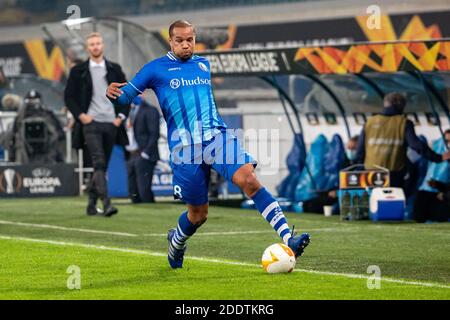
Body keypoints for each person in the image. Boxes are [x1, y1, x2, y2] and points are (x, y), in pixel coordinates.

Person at [106, 20, 310, 269]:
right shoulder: (154, 69)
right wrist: (115, 94)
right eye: (179, 40)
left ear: (194, 39)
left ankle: (289, 238)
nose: (185, 44)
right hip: (185, 150)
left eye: (189, 40)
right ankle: (177, 241)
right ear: (170, 41)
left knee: (250, 180)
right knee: (198, 214)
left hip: (217, 138)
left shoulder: (203, 64)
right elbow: (128, 94)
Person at [64, 32, 130, 217]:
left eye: (98, 43)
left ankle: (91, 205)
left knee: (100, 166)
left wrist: (121, 117)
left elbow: (127, 94)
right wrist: (81, 116)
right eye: (92, 44)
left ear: (103, 45)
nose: (95, 46)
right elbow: (69, 97)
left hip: (111, 123)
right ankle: (107, 203)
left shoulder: (115, 69)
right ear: (88, 48)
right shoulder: (79, 71)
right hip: (90, 123)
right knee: (99, 162)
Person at [355, 92, 450, 190]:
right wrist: (438, 157)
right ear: (401, 107)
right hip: (393, 174)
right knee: (392, 201)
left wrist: (358, 170)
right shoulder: (404, 122)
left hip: (370, 172)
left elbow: (360, 150)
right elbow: (416, 145)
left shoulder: (369, 122)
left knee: (372, 200)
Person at [126, 95, 160, 203]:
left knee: (143, 190)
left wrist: (145, 153)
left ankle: (151, 210)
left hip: (144, 154)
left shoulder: (150, 110)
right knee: (133, 191)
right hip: (131, 154)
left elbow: (154, 134)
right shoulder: (127, 111)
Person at [413, 129, 450, 222]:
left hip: (442, 193)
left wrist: (443, 191)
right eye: (446, 141)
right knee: (419, 217)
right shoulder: (436, 151)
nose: (447, 144)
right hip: (427, 189)